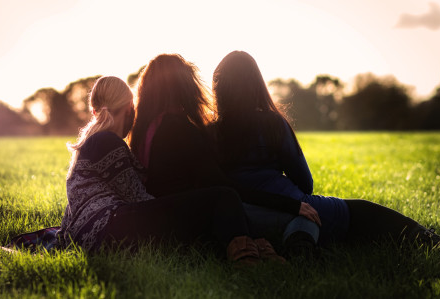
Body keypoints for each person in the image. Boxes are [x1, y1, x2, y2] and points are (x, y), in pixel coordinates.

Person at [211, 50, 440, 246]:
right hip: (292, 203)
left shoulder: (210, 132)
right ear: (256, 84)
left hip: (244, 213)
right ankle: (433, 242)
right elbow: (305, 183)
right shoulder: (272, 123)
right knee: (365, 213)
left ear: (219, 88)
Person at [56, 76, 283, 265]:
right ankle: (249, 258)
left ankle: (250, 247)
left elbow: (73, 207)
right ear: (129, 109)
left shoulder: (91, 143)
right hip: (112, 229)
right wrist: (180, 207)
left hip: (93, 235)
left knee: (203, 212)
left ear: (94, 110)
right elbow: (137, 198)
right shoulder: (107, 141)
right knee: (223, 195)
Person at [129, 53, 321, 256]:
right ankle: (270, 248)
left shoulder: (144, 130)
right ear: (183, 85)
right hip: (185, 225)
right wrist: (291, 205)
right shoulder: (181, 130)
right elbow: (224, 187)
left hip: (159, 219)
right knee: (299, 217)